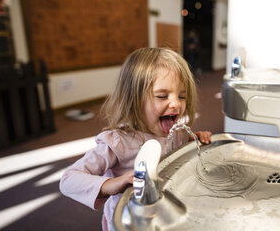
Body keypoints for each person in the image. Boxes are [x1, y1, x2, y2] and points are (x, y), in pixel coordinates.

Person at [59, 47, 212, 231]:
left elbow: (177, 152)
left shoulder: (175, 133)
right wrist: (110, 184)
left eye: (182, 96)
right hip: (127, 220)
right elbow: (68, 180)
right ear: (134, 99)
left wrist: (194, 138)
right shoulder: (117, 142)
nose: (176, 104)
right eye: (162, 96)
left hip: (161, 213)